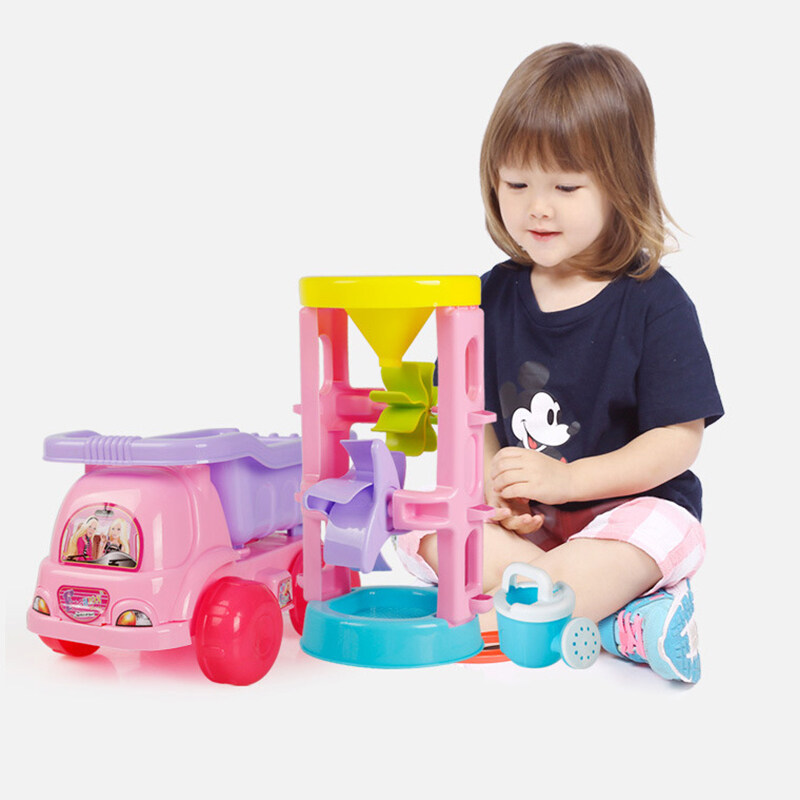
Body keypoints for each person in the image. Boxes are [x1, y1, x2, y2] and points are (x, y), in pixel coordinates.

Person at [405, 43, 723, 683]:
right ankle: (608, 623)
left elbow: (677, 442)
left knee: (650, 534)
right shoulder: (487, 297)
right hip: (534, 530)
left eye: (566, 187)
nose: (537, 207)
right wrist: (496, 487)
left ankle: (558, 601)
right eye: (517, 184)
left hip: (627, 518)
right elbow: (469, 415)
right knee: (429, 536)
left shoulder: (653, 301)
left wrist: (568, 482)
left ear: (621, 185)